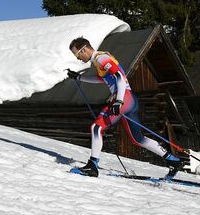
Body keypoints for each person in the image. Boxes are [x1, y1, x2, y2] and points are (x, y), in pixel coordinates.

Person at [67, 37, 185, 178]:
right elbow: (102, 79)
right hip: (130, 100)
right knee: (138, 139)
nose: (78, 58)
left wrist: (119, 101)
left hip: (124, 99)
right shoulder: (101, 60)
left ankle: (92, 166)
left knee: (96, 128)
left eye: (77, 54)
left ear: (84, 49)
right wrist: (79, 78)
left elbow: (119, 77)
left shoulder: (101, 58)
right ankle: (173, 160)